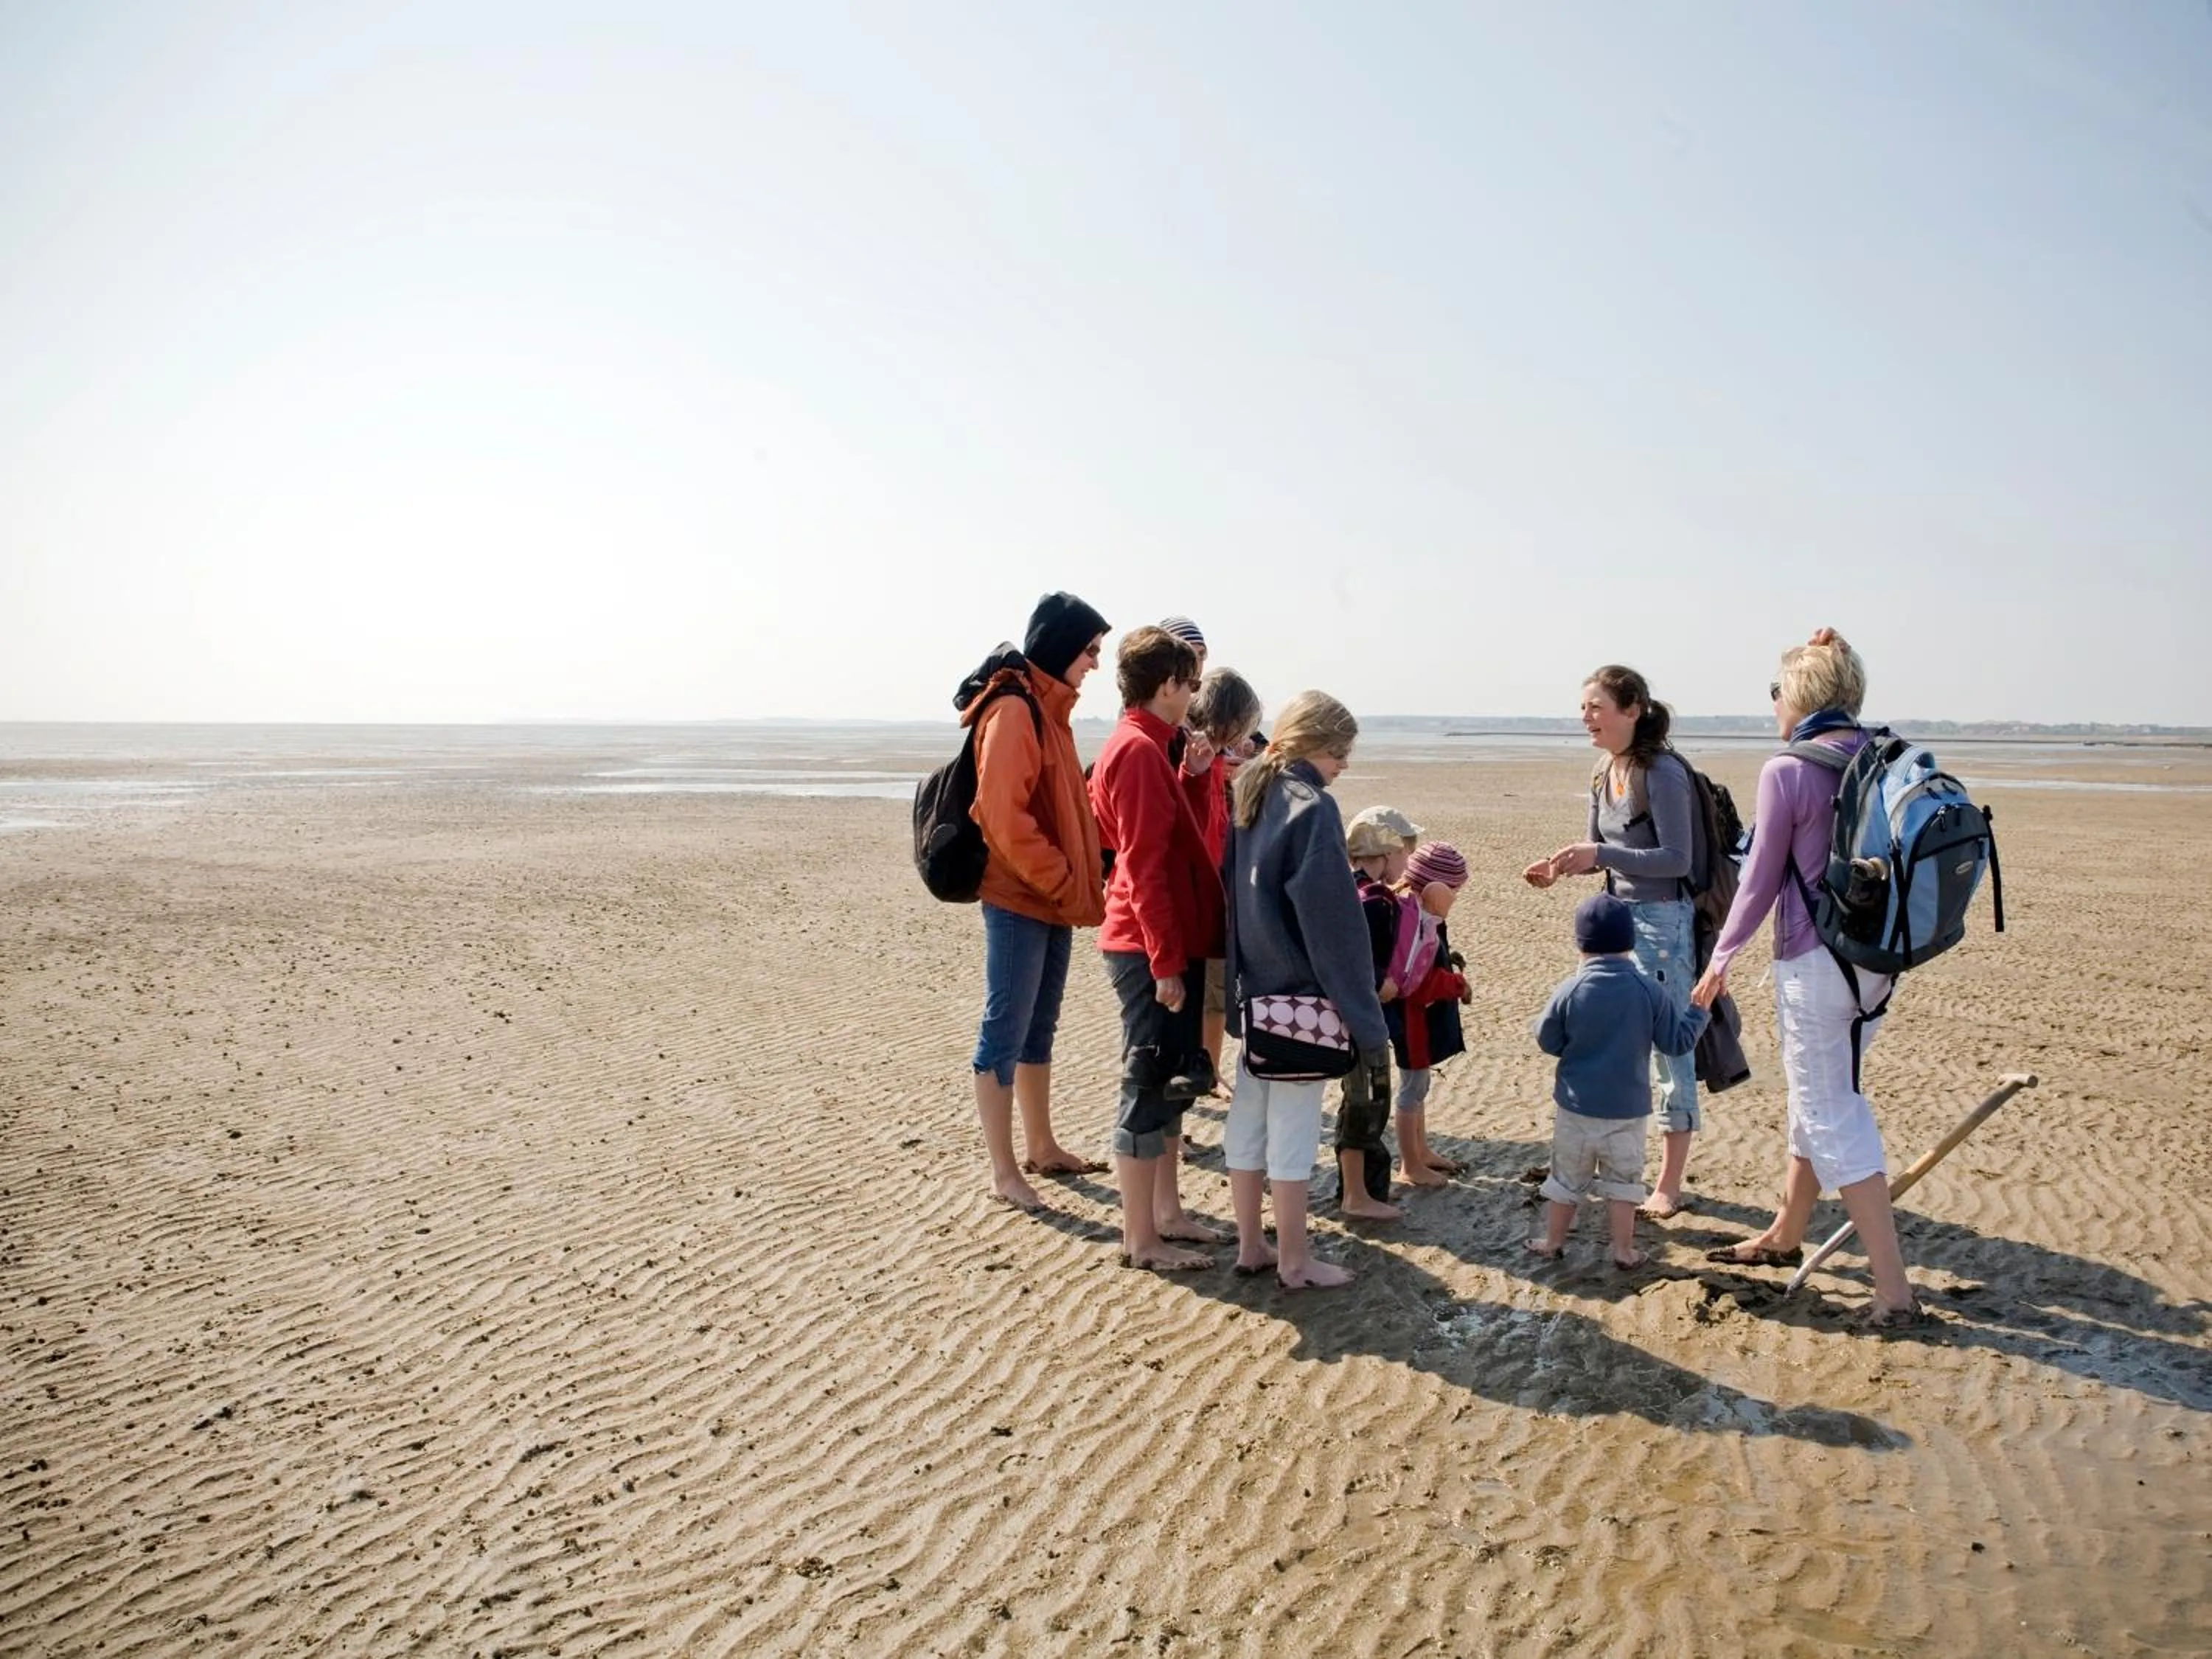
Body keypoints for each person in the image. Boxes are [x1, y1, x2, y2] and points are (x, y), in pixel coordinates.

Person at [1691, 628, 1927, 1328]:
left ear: (1797, 697)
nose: (1773, 705)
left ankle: (1893, 1291)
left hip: (1815, 961)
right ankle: (1786, 1233)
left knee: (1832, 1114)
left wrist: (1721, 957)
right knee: (1820, 1093)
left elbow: (1760, 879)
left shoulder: (1787, 769)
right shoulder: (1882, 755)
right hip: (1878, 961)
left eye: (1777, 691)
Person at [1222, 690, 1392, 1290]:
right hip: (1303, 998)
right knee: (1292, 1132)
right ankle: (1294, 1261)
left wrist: (1235, 991)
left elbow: (1233, 904)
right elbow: (1333, 929)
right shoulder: (1310, 807)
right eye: (1340, 750)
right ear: (1317, 743)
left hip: (1256, 992)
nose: (1344, 763)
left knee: (1248, 1123)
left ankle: (1251, 1244)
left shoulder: (1250, 792)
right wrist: (1366, 1020)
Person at [1522, 666, 1703, 1220]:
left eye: (1596, 706)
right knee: (1618, 1040)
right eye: (1584, 707)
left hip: (1664, 923)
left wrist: (1599, 856)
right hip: (1619, 922)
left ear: (1633, 710)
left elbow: (1678, 860)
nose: (1586, 717)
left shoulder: (1664, 772)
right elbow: (1596, 847)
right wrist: (1561, 867)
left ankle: (1669, 1183)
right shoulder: (1604, 770)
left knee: (1670, 1048)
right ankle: (1619, 1165)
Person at [965, 591, 1110, 1212]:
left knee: (1038, 1027)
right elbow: (1002, 816)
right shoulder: (1014, 711)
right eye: (1090, 651)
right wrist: (1060, 879)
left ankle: (1042, 1146)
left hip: (1052, 899)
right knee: (1005, 1027)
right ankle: (1004, 1171)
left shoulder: (1051, 711)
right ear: (1060, 647)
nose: (1096, 664)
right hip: (1020, 896)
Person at [1089, 627, 1228, 1270]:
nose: (1193, 695)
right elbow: (1143, 864)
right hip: (1145, 946)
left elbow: (1179, 840)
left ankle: (1165, 1216)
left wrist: (1196, 778)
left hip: (1157, 941)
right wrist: (1166, 963)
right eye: (1190, 683)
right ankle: (1140, 1238)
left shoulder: (1150, 747)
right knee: (1146, 1083)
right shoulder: (1137, 750)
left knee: (1169, 1085)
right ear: (1168, 684)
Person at [1528, 894, 1708, 1269]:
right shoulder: (1649, 991)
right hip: (1628, 1112)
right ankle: (1623, 1250)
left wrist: (1573, 1044)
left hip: (1576, 1108)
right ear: (1631, 942)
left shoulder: (1571, 989)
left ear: (1580, 944)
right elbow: (1677, 1042)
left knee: (1566, 1181)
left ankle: (1553, 1241)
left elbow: (1547, 1039)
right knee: (1624, 1185)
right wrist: (1698, 1011)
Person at [1185, 667, 1265, 1101]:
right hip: (1198, 898)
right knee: (1189, 998)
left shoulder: (1220, 757)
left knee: (1215, 992)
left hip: (1220, 894)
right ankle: (1198, 1075)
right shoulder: (1190, 753)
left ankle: (1209, 1071)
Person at [1335, 813, 1414, 1221]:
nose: (1407, 861)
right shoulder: (1377, 901)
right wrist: (1384, 983)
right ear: (1384, 853)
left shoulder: (1346, 888)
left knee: (1358, 1100)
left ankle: (1356, 1190)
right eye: (1403, 852)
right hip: (1365, 1014)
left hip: (1346, 1012)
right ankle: (1357, 1194)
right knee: (1367, 1103)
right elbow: (1362, 959)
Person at [1390, 841, 1474, 1186]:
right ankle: (1409, 1163)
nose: (1456, 898)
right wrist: (1458, 985)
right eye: (1454, 891)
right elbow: (1420, 982)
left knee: (1419, 1087)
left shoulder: (1417, 915)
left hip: (1418, 1020)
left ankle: (1421, 1151)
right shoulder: (1416, 923)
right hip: (1413, 1022)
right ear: (1437, 889)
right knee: (1411, 1089)